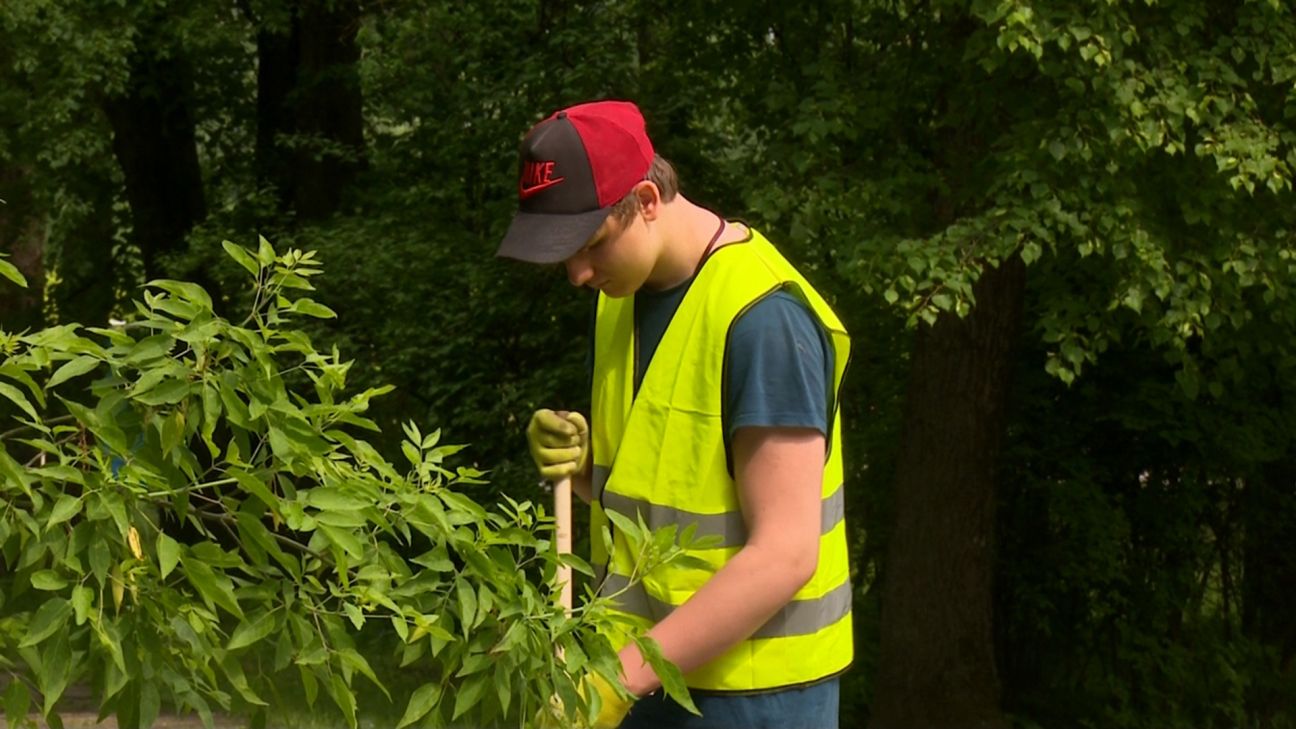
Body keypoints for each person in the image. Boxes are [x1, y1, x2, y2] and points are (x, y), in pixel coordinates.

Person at [497, 100, 852, 729]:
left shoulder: (764, 321)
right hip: (648, 683)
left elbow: (785, 553)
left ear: (647, 200)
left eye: (590, 244)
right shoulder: (619, 298)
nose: (577, 273)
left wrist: (611, 682)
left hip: (753, 699)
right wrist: (581, 468)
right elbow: (661, 491)